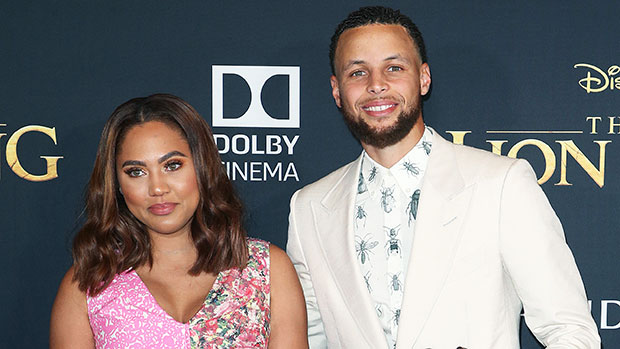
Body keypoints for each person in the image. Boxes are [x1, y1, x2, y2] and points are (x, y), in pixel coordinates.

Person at [287, 6, 600, 349]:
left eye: (394, 68)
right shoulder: (310, 208)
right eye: (358, 72)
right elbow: (305, 338)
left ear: (423, 78)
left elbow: (569, 330)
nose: (377, 85)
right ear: (336, 90)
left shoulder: (501, 184)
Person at [50, 94, 308, 348]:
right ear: (116, 184)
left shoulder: (267, 270)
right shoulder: (89, 283)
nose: (157, 188)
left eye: (172, 165)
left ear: (202, 166)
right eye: (136, 172)